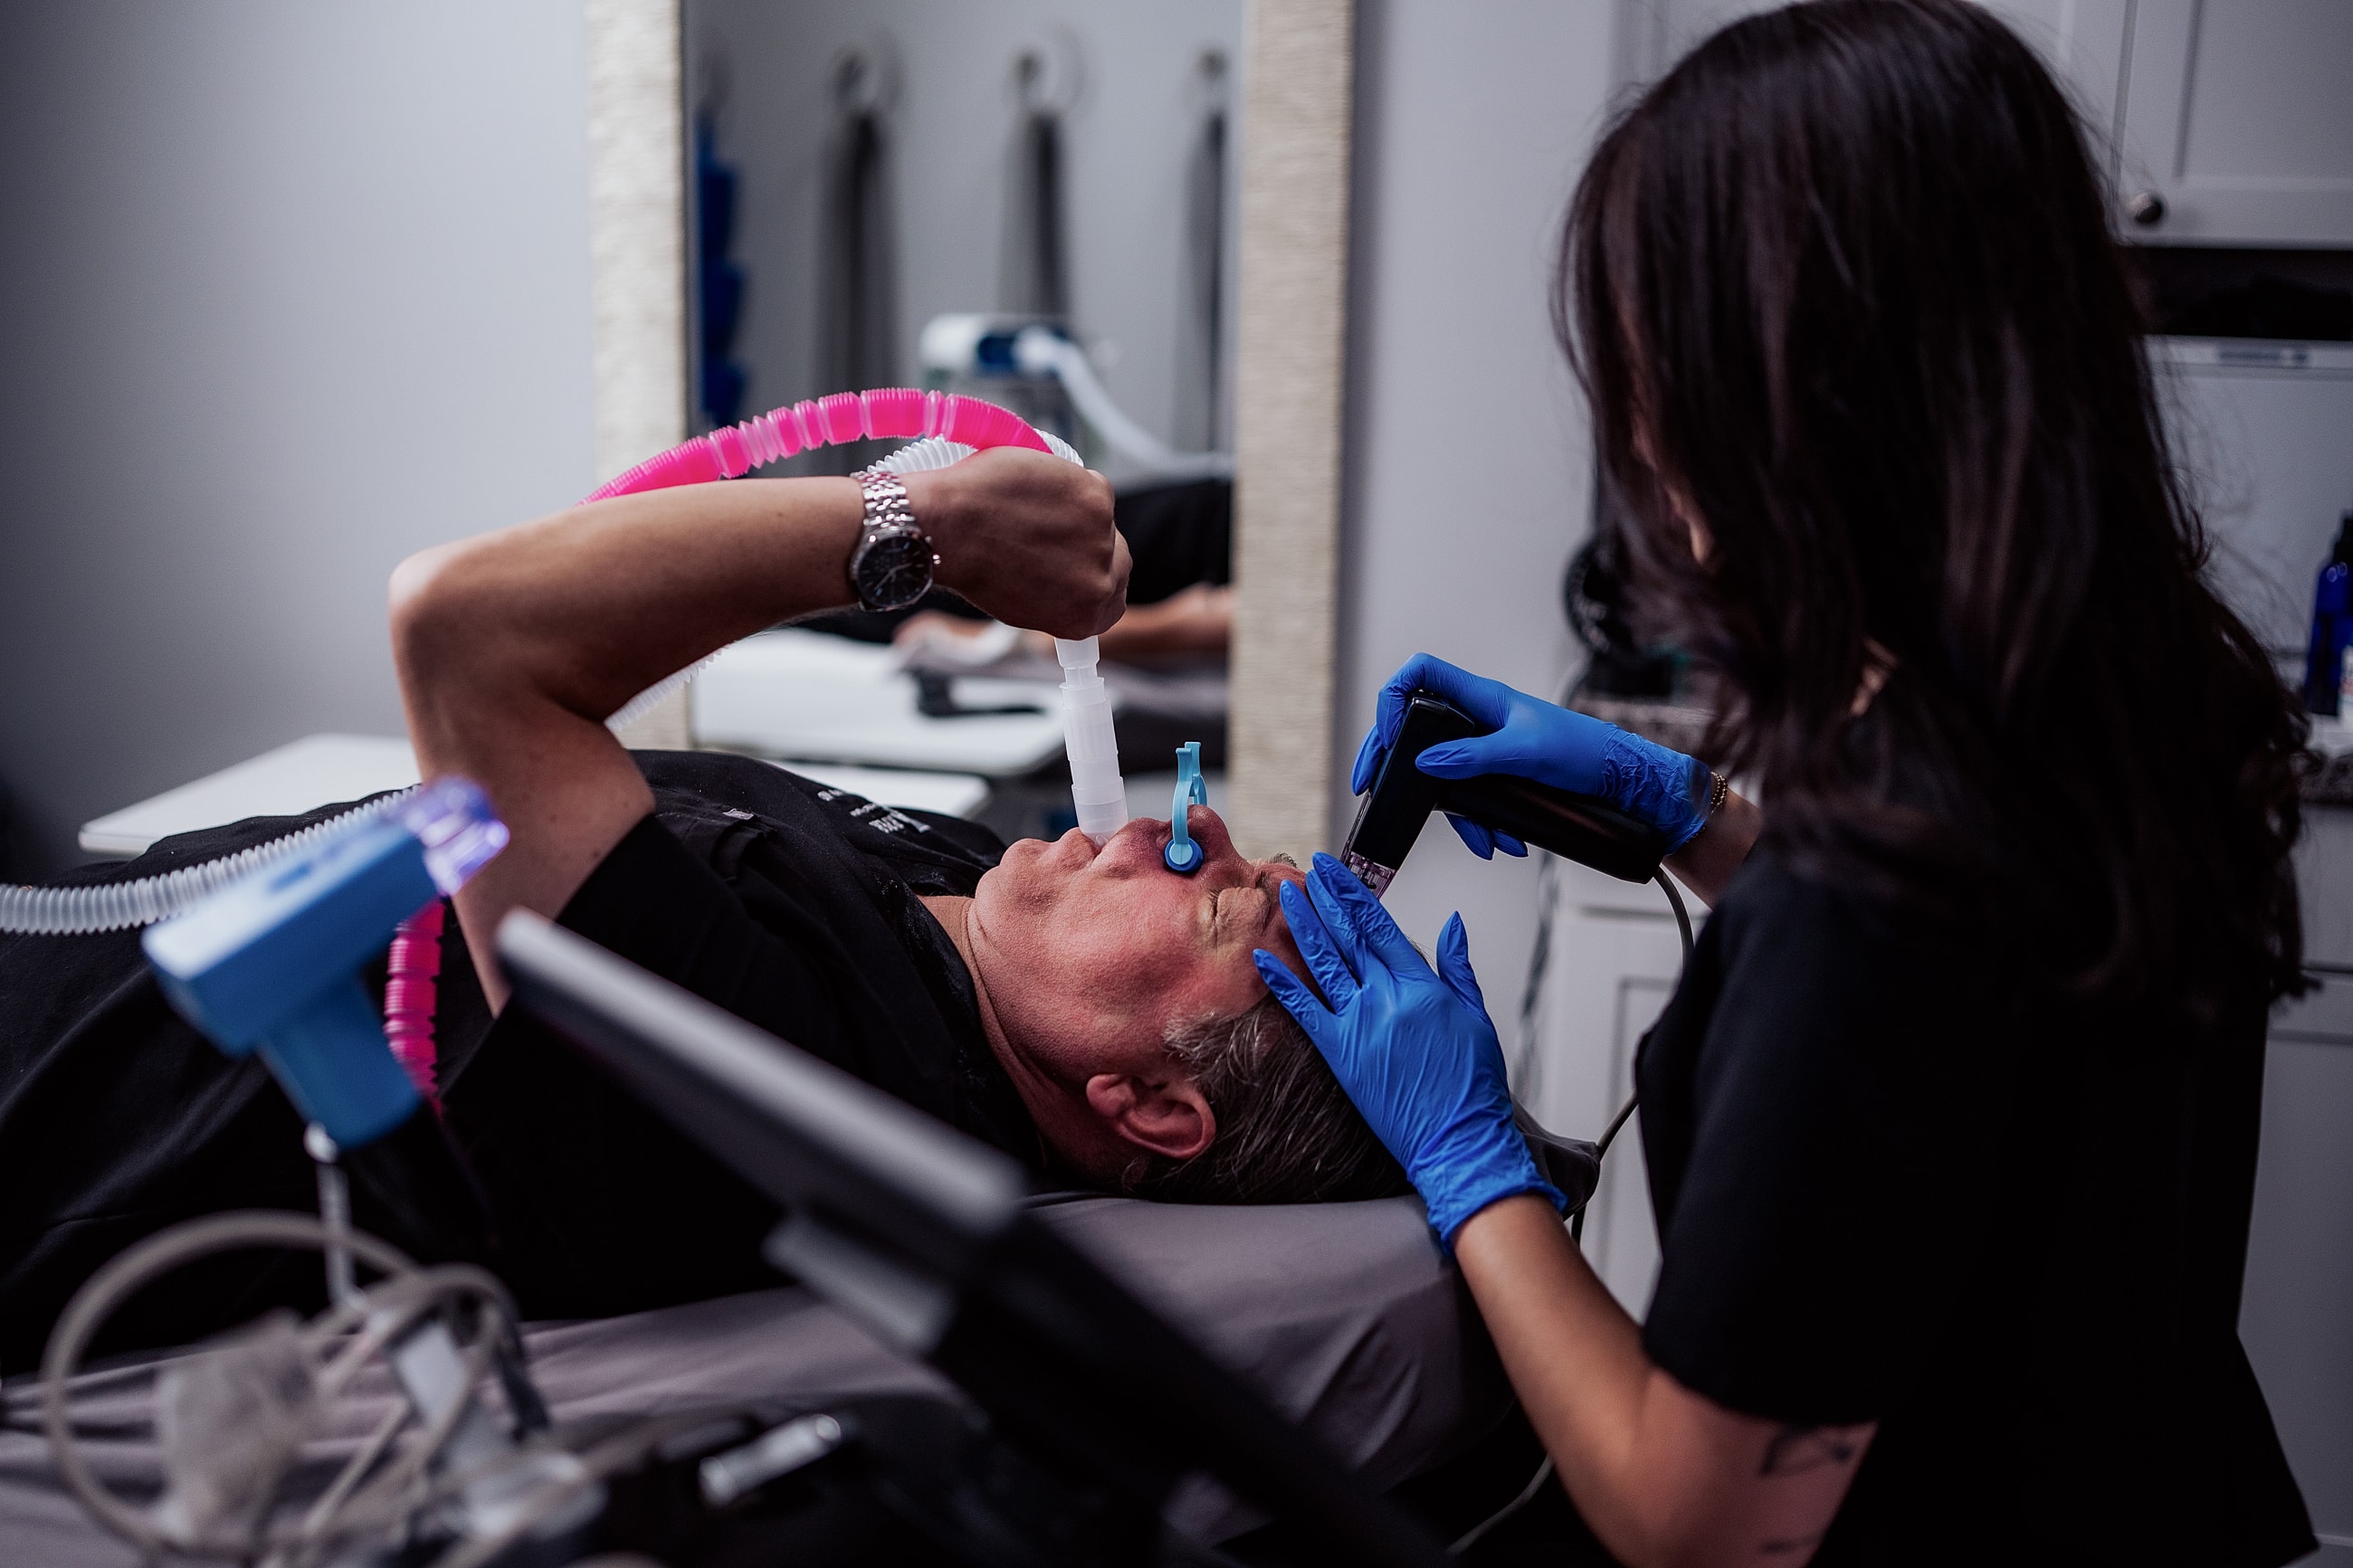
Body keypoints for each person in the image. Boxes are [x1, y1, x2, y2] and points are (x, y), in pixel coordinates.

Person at [1253, 5, 2315, 1565]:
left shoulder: (1876, 905)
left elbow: (1697, 1523)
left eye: (1648, 366)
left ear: (1789, 395)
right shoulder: (2159, 692)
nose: (1638, 439)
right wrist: (1697, 816)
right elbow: (1980, 1028)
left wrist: (1473, 1158)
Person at [0, 448, 1399, 1374]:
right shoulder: (970, 901)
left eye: (1225, 908)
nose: (1200, 825)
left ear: (1150, 1106)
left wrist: (912, 528)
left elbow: (464, 629)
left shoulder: (794, 1073)